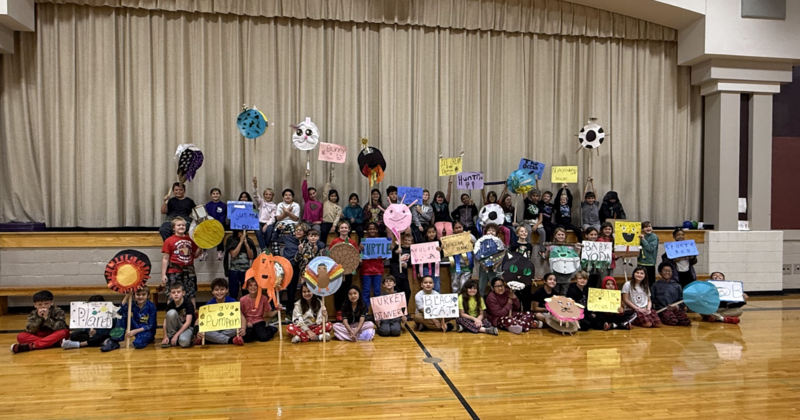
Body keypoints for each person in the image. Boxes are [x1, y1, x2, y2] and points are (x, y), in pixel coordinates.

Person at [160, 216, 202, 306]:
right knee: (172, 295)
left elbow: (195, 255)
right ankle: (170, 313)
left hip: (189, 271)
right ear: (173, 228)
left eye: (183, 225)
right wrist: (163, 274)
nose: (181, 227)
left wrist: (200, 246)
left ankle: (191, 314)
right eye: (179, 225)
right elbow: (165, 258)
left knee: (191, 294)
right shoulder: (169, 241)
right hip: (174, 271)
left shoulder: (190, 239)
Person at [103, 286, 157, 351]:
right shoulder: (133, 304)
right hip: (136, 325)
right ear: (134, 295)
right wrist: (127, 296)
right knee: (122, 315)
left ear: (148, 295)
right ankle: (115, 341)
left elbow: (151, 325)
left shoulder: (151, 306)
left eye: (143, 294)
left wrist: (135, 331)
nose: (140, 297)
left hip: (146, 330)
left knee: (138, 344)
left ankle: (147, 339)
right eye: (138, 294)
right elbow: (120, 311)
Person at [196, 278, 245, 346]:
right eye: (216, 290)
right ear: (212, 291)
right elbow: (199, 320)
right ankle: (230, 340)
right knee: (205, 332)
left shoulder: (232, 302)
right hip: (214, 329)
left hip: (228, 328)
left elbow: (242, 316)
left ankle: (214, 339)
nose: (219, 292)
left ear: (227, 290)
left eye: (222, 289)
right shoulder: (209, 304)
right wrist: (197, 332)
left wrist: (243, 329)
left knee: (235, 329)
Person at [329, 220, 359, 321]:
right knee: (338, 291)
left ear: (349, 229)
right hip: (337, 272)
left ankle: (346, 311)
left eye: (346, 228)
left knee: (347, 291)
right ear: (338, 230)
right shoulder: (334, 241)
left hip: (348, 271)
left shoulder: (352, 242)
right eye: (342, 228)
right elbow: (330, 255)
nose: (344, 229)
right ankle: (338, 311)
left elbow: (356, 255)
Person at [240, 278, 280, 342]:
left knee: (264, 338)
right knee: (247, 338)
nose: (253, 287)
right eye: (250, 285)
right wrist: (246, 322)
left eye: (255, 285)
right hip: (247, 322)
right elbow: (241, 315)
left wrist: (277, 310)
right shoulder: (242, 300)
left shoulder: (263, 298)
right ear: (247, 288)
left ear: (259, 287)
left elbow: (269, 314)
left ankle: (271, 328)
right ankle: (256, 333)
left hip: (259, 321)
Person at [281, 223, 308, 312]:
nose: (298, 232)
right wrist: (278, 230)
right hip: (286, 266)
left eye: (300, 230)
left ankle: (292, 310)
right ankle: (279, 311)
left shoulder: (306, 242)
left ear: (304, 232)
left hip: (298, 266)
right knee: (282, 288)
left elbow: (320, 244)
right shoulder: (288, 238)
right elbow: (274, 238)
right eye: (296, 230)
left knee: (293, 289)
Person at [223, 229, 256, 300]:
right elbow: (233, 255)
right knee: (233, 292)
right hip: (234, 270)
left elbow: (251, 257)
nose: (241, 234)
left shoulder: (249, 241)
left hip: (246, 271)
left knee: (246, 292)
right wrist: (240, 242)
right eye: (240, 232)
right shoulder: (231, 240)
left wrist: (246, 244)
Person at [161, 282, 195, 348]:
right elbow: (165, 323)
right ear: (170, 294)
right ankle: (171, 337)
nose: (176, 294)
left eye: (178, 292)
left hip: (187, 328)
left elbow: (188, 323)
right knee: (171, 313)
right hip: (176, 327)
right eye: (173, 292)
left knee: (184, 342)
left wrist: (176, 335)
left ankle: (178, 338)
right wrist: (165, 336)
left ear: (183, 293)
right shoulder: (170, 305)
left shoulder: (188, 303)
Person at [360, 222, 385, 306]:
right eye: (370, 229)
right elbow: (360, 256)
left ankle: (377, 311)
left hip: (378, 270)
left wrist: (383, 255)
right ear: (367, 230)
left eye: (374, 229)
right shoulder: (363, 242)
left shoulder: (381, 241)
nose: (372, 231)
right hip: (366, 270)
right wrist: (360, 250)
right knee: (366, 291)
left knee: (377, 291)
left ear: (376, 230)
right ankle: (365, 311)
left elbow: (384, 257)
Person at [477, 223, 504, 296]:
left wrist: (496, 265)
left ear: (496, 233)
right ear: (485, 232)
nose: (491, 232)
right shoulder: (481, 242)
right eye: (489, 230)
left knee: (496, 286)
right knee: (481, 286)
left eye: (493, 231)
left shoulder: (499, 242)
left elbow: (502, 256)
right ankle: (481, 301)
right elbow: (478, 255)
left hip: (496, 267)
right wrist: (483, 265)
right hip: (484, 267)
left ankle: (496, 301)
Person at [449, 221, 476, 293]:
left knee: (464, 285)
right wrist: (444, 247)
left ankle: (464, 299)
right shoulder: (449, 239)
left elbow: (477, 248)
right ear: (453, 229)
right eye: (456, 228)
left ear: (463, 227)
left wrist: (473, 244)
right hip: (455, 265)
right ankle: (456, 299)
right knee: (455, 285)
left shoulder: (470, 236)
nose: (458, 229)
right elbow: (447, 251)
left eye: (460, 227)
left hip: (466, 265)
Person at [546, 227, 575, 295]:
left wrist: (578, 250)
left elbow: (573, 259)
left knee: (564, 293)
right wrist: (547, 250)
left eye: (562, 234)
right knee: (555, 293)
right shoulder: (552, 247)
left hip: (567, 274)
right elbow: (547, 259)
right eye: (558, 234)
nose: (560, 236)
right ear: (555, 236)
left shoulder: (569, 247)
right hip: (555, 273)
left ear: (565, 236)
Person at [252, 177, 277, 252]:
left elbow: (273, 218)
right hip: (260, 222)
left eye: (270, 194)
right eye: (266, 194)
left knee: (269, 230)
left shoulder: (274, 205)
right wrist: (255, 185)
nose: (268, 196)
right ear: (264, 195)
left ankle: (264, 248)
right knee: (257, 229)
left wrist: (266, 225)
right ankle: (264, 249)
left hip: (268, 223)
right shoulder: (261, 202)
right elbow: (256, 195)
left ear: (272, 196)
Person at [416, 225, 443, 292]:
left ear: (436, 232)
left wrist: (440, 251)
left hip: (435, 267)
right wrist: (417, 271)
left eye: (433, 232)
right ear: (426, 233)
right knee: (427, 286)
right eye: (429, 232)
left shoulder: (438, 242)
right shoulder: (421, 243)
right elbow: (417, 257)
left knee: (436, 286)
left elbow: (441, 257)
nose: (431, 234)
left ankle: (436, 298)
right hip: (425, 267)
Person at [390, 233, 413, 306]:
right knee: (397, 292)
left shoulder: (411, 250)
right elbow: (391, 259)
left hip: (404, 274)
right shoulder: (398, 247)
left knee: (407, 291)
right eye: (405, 240)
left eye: (409, 240)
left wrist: (407, 264)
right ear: (402, 241)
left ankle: (404, 307)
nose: (407, 242)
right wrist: (395, 252)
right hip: (395, 273)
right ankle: (397, 309)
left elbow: (412, 261)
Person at [204, 187, 227, 260]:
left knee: (220, 232)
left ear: (220, 195)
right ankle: (204, 251)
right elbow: (206, 216)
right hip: (210, 224)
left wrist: (217, 224)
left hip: (220, 224)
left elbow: (223, 216)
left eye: (217, 193)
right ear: (211, 195)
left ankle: (220, 251)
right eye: (213, 194)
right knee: (203, 231)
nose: (215, 195)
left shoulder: (223, 205)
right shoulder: (208, 205)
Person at [320, 176, 342, 245]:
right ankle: (322, 246)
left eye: (335, 196)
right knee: (323, 231)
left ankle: (341, 245)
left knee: (341, 231)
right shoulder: (326, 202)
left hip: (334, 223)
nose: (333, 197)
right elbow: (325, 192)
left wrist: (334, 226)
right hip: (325, 223)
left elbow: (337, 217)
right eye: (332, 196)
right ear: (329, 197)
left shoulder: (338, 207)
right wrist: (329, 182)